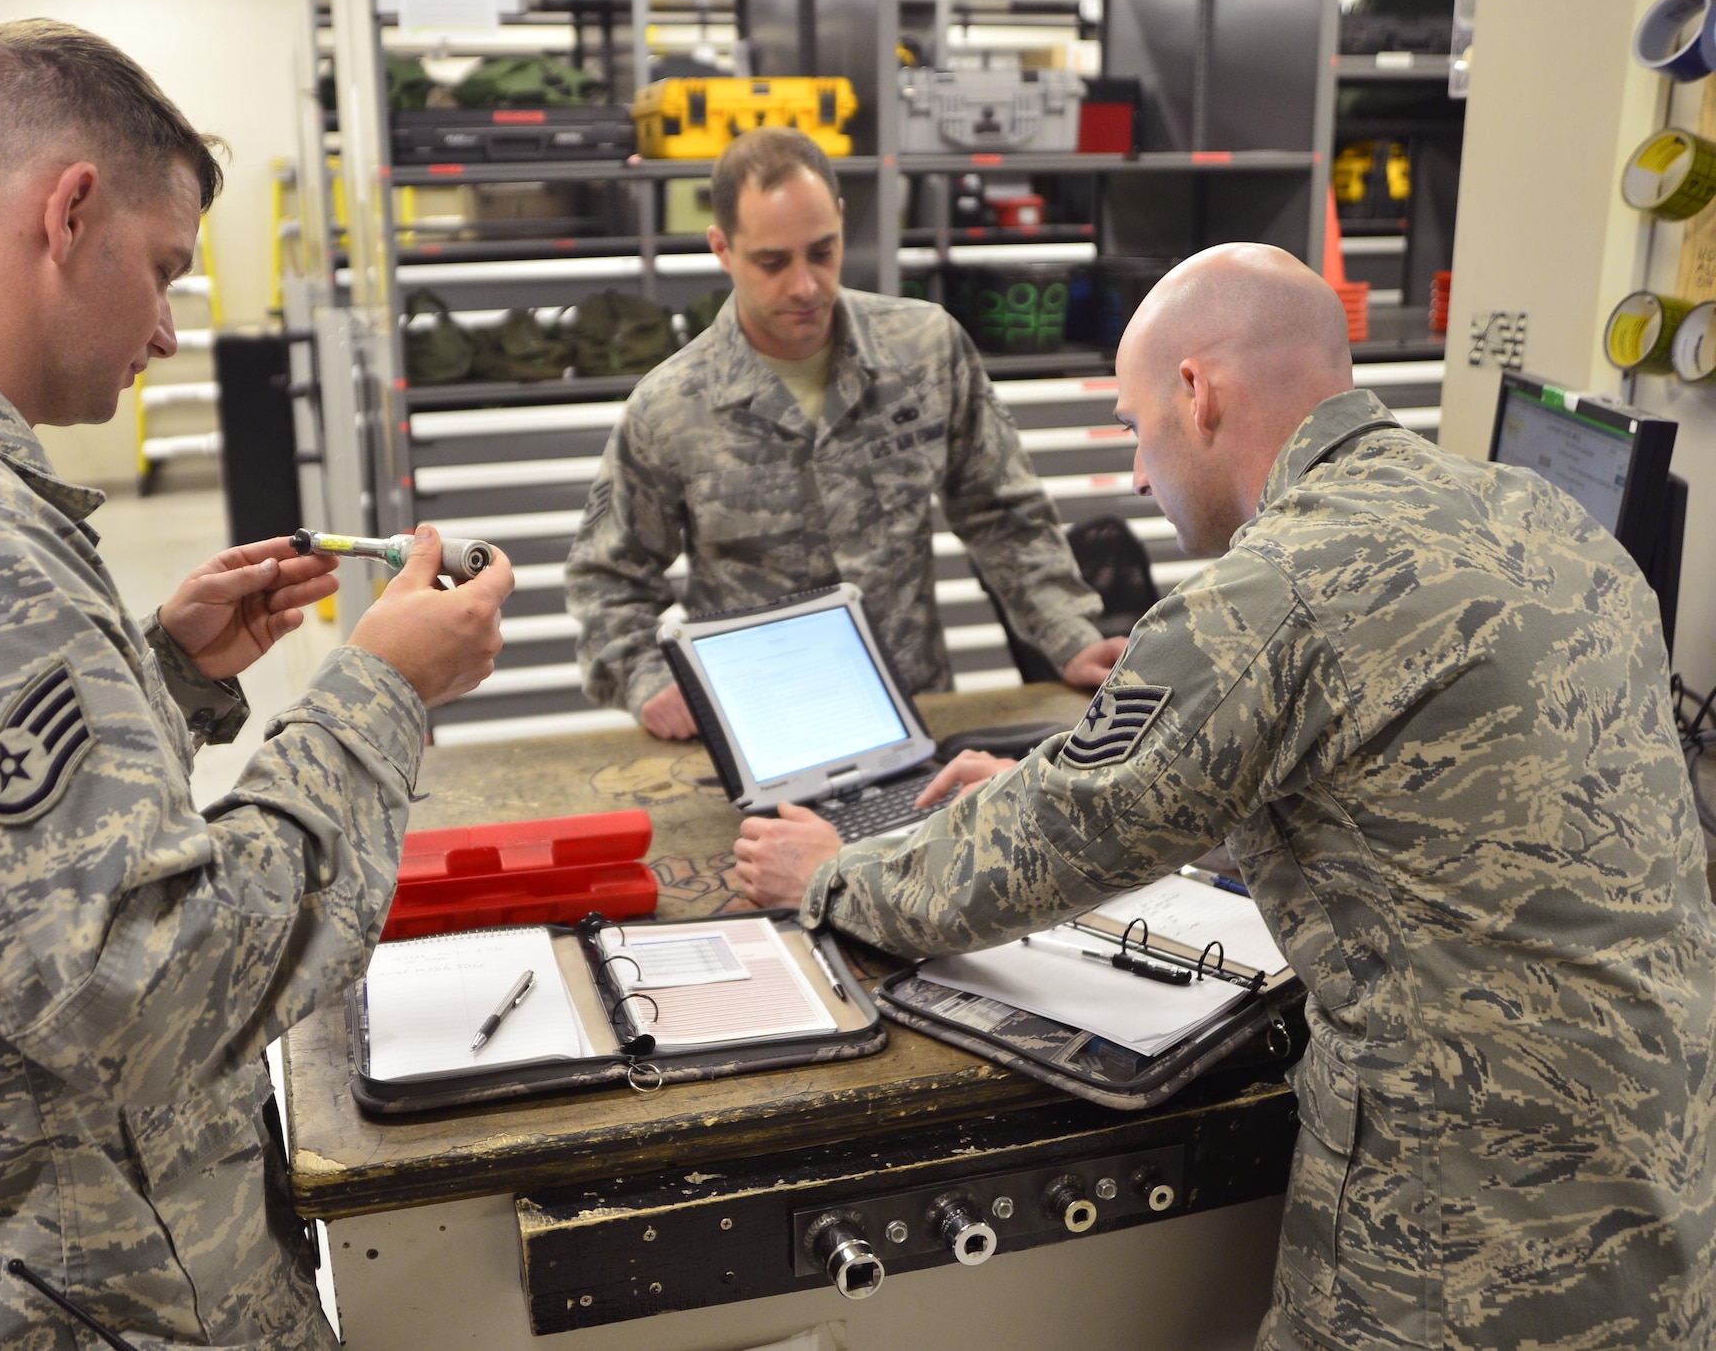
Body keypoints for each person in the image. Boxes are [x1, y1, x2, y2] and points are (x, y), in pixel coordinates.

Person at [732, 243, 1716, 1350]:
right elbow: (1414, 799)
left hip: (1462, 1246)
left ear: (1194, 394)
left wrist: (833, 874)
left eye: (1129, 422)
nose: (1139, 473)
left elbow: (1052, 846)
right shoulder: (1544, 519)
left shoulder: (1276, 588)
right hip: (1663, 1203)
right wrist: (1071, 776)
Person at [0, 21, 512, 1350]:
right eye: (160, 273)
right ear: (68, 210)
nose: (161, 333)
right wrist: (381, 691)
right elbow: (149, 990)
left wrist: (164, 675)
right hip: (96, 1301)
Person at [564, 126, 1126, 741]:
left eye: (822, 251)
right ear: (722, 248)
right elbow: (608, 577)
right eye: (772, 262)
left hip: (914, 716)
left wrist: (1069, 635)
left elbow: (1004, 515)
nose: (804, 286)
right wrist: (647, 681)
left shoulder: (924, 351)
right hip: (757, 733)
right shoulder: (670, 405)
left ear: (839, 219)